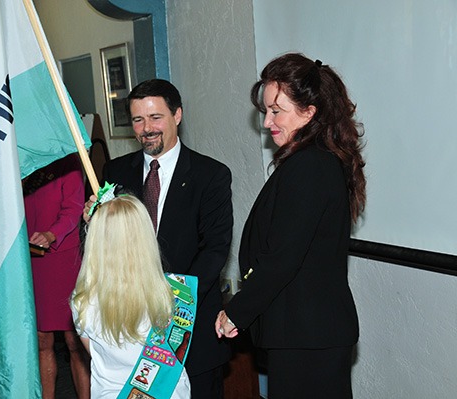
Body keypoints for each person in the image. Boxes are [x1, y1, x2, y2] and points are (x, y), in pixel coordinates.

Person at [215, 53, 366, 398]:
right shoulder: (310, 161)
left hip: (309, 337)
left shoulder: (310, 166)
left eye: (276, 111)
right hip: (305, 334)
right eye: (266, 111)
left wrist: (237, 312)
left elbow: (284, 256)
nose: (268, 122)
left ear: (309, 112)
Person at [85, 79, 233, 398]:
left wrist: (172, 300)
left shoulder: (211, 175)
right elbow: (103, 246)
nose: (146, 128)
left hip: (188, 332)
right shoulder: (114, 173)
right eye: (138, 120)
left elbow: (215, 248)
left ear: (177, 115)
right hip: (125, 334)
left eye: (155, 118)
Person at [71, 194, 191, 398]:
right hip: (168, 392)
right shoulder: (173, 293)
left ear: (95, 240)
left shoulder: (82, 300)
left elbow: (97, 354)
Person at [23, 153, 90, 399]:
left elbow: (74, 209)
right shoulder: (21, 160)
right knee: (41, 340)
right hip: (30, 257)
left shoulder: (68, 160)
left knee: (75, 340)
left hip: (62, 257)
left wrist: (51, 235)